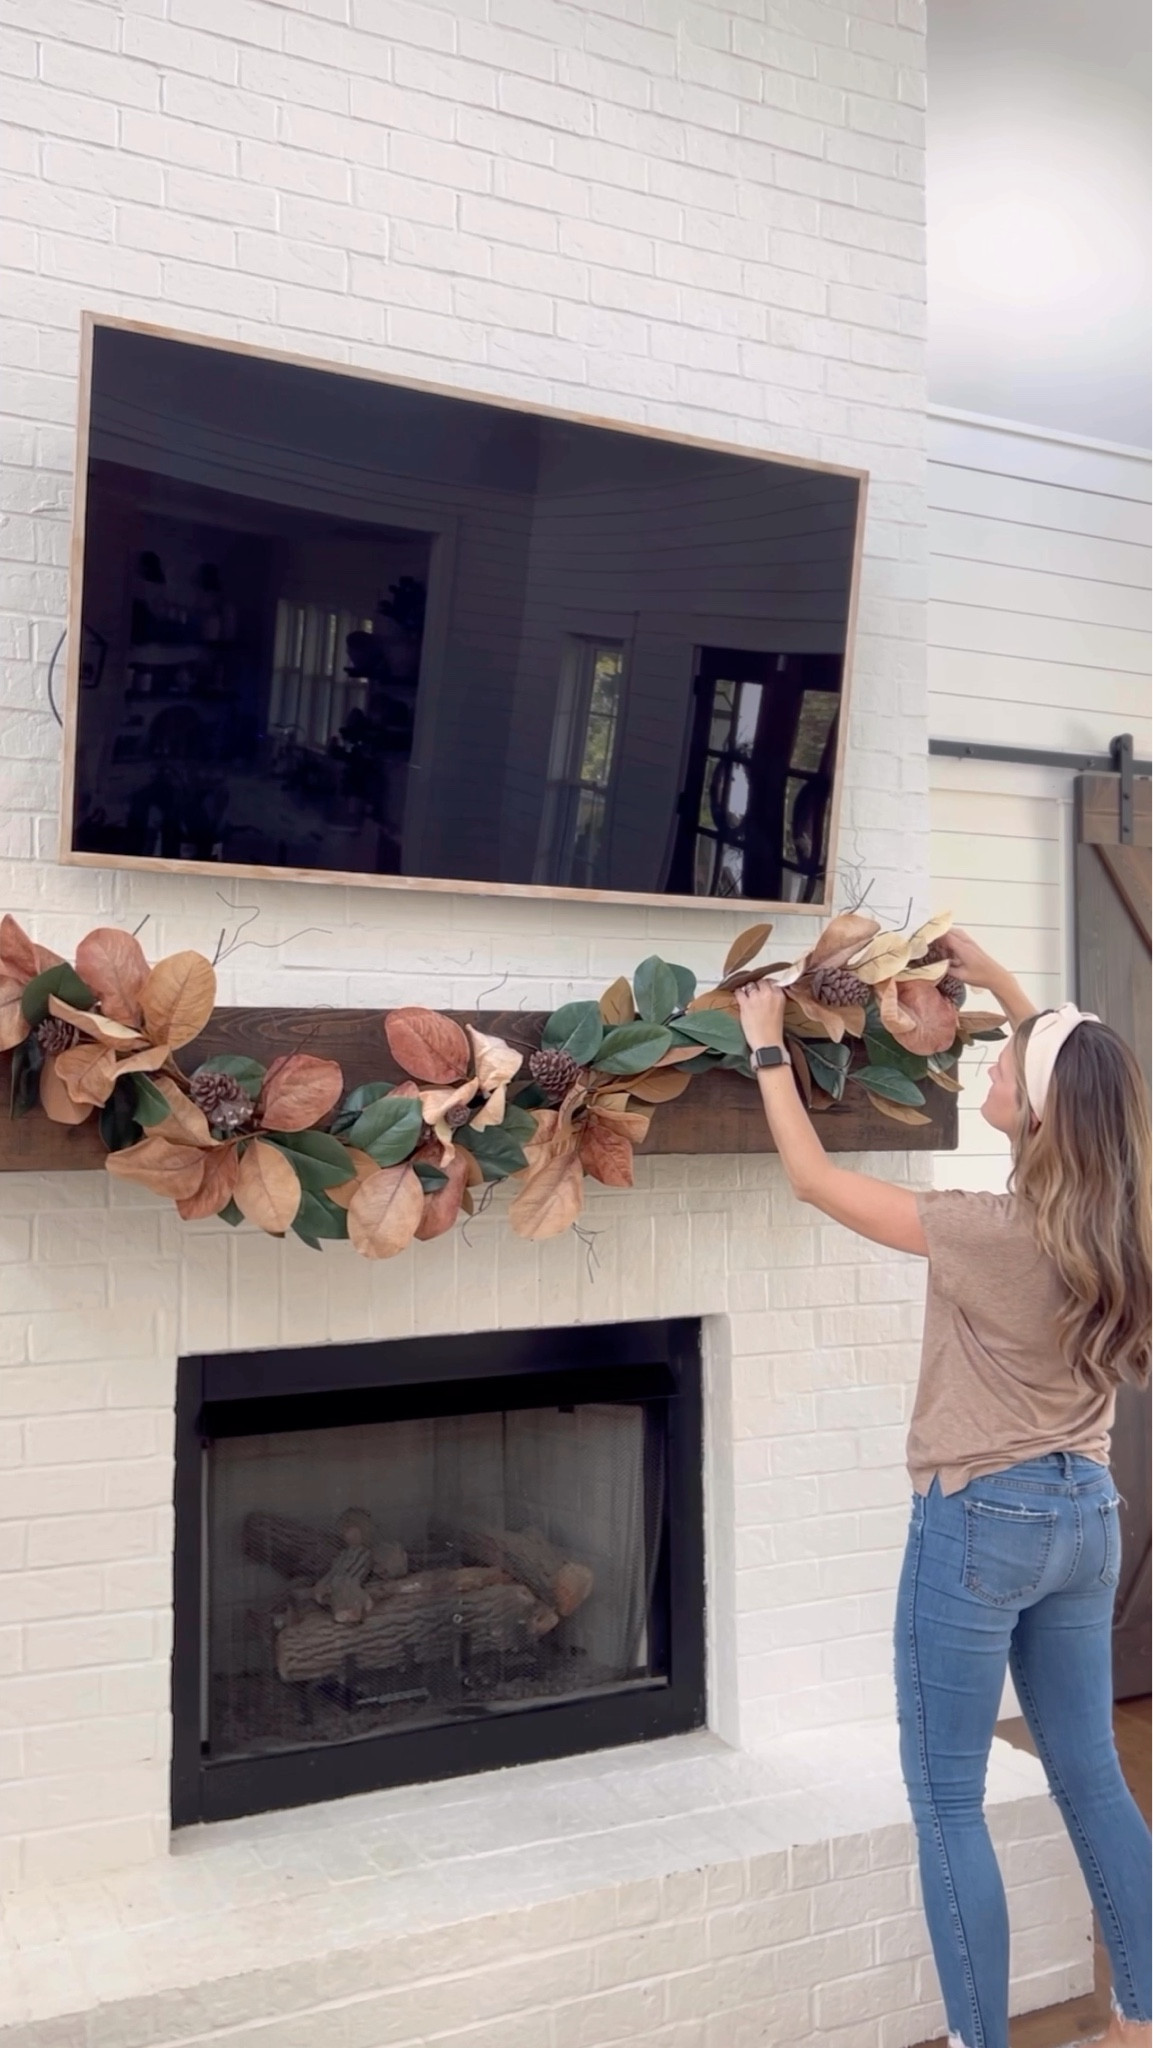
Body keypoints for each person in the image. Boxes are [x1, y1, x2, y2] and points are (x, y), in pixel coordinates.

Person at [735, 929, 1152, 2048]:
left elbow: (812, 1180)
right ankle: (1142, 2019)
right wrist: (1006, 982)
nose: (992, 1065)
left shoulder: (986, 1231)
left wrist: (766, 1045)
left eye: (1006, 1068)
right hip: (1086, 1520)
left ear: (1038, 1115)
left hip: (981, 1520)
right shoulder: (1125, 1221)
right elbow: (1072, 1061)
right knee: (1093, 1778)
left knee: (947, 1801)